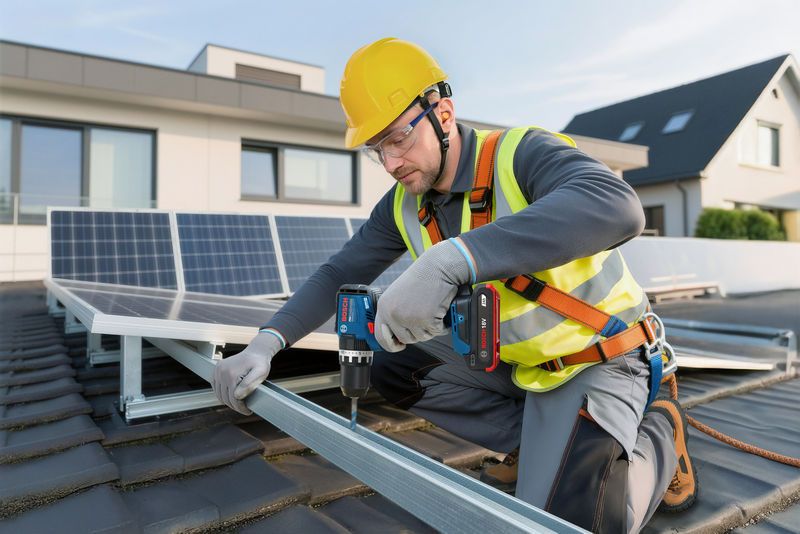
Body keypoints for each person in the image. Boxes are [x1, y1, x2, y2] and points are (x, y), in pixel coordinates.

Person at [212, 37, 697, 533]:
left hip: (602, 358)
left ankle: (661, 430)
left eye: (398, 138)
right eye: (377, 149)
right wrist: (266, 343)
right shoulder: (403, 204)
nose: (391, 163)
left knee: (576, 525)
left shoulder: (520, 154)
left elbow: (618, 206)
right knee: (386, 357)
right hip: (519, 367)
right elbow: (338, 273)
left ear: (443, 113)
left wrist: (453, 259)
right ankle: (535, 446)